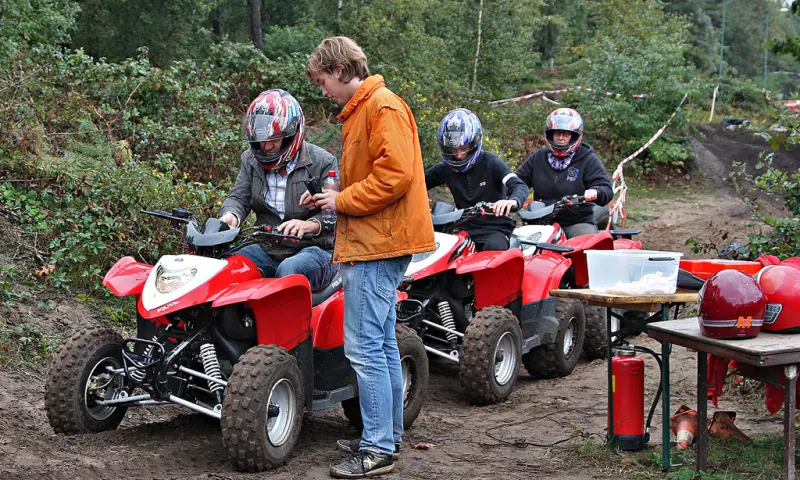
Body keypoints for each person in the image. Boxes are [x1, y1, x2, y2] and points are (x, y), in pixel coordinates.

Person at [305, 36, 435, 478]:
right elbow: (376, 176)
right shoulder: (364, 109)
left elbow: (394, 176)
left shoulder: (381, 107)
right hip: (374, 240)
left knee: (363, 349)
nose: (323, 90)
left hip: (379, 244)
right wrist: (331, 197)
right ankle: (387, 434)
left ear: (340, 70)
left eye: (323, 80)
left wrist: (340, 200)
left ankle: (377, 447)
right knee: (379, 345)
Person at [219, 88, 339, 292]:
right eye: (261, 139)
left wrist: (308, 225)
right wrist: (230, 216)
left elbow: (332, 214)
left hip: (316, 249)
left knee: (289, 269)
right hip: (268, 248)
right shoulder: (250, 159)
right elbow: (239, 196)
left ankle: (292, 324)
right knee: (230, 265)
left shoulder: (323, 163)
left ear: (291, 134)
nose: (266, 146)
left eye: (274, 139)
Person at [425, 108, 528, 251]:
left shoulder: (491, 162)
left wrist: (513, 200)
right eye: (453, 149)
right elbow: (419, 185)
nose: (459, 155)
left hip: (495, 229)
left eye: (463, 147)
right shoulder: (444, 169)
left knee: (494, 250)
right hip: (463, 228)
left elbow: (518, 185)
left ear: (474, 142)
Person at [515, 107, 613, 238]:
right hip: (541, 221)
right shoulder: (538, 158)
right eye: (557, 134)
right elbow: (517, 182)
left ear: (575, 136)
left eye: (566, 134)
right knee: (518, 244)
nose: (561, 138)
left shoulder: (587, 159)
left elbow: (606, 189)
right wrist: (508, 198)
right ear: (550, 135)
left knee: (585, 243)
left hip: (576, 221)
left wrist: (596, 191)